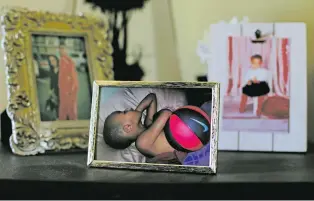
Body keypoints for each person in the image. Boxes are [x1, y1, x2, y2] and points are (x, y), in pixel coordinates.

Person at [103, 93, 187, 164]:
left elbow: (151, 97)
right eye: (125, 112)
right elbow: (166, 114)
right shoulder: (142, 143)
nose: (128, 108)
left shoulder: (148, 125)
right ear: (128, 127)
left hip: (187, 135)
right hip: (187, 146)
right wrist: (136, 115)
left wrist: (137, 112)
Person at [58, 44, 79, 120]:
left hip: (68, 87)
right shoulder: (65, 60)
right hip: (68, 86)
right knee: (68, 104)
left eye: (62, 49)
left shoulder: (66, 60)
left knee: (67, 104)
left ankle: (68, 119)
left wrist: (70, 87)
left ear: (66, 50)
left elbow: (70, 75)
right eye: (60, 49)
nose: (60, 51)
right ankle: (69, 118)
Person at [45, 55, 60, 120]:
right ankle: (58, 117)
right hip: (55, 92)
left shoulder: (62, 69)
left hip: (63, 91)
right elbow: (52, 81)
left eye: (53, 60)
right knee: (56, 105)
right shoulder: (51, 70)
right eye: (50, 61)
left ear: (57, 60)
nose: (52, 62)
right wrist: (50, 90)